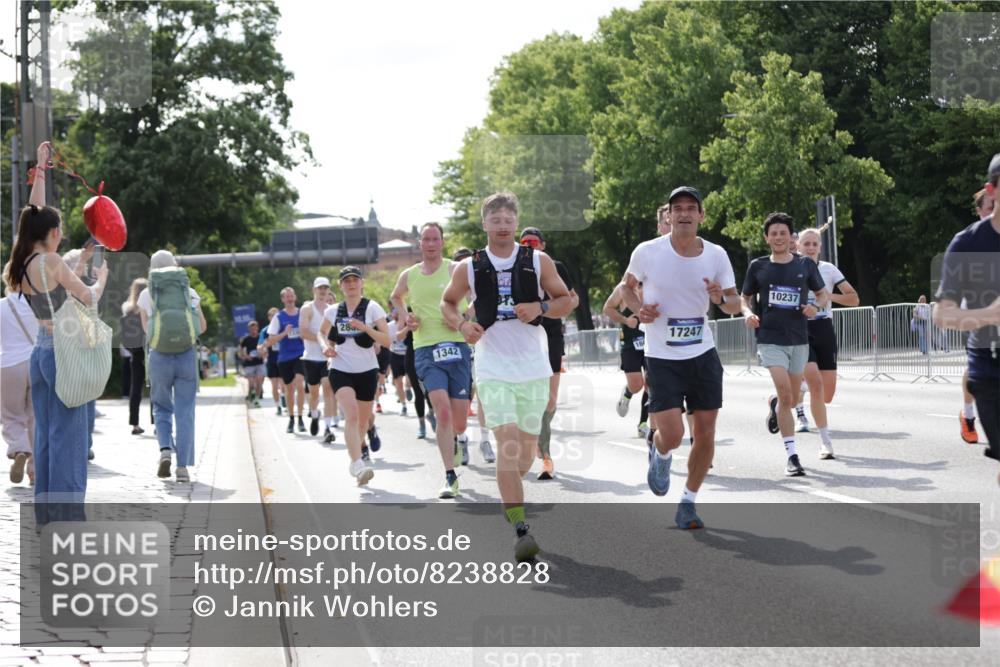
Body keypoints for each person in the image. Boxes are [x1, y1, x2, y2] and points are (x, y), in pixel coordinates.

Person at [442, 192, 573, 561]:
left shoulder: (538, 260)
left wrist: (541, 307)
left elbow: (568, 299)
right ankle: (520, 528)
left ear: (516, 223)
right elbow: (448, 303)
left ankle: (511, 491)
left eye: (507, 219)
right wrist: (462, 324)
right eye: (494, 219)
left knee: (525, 456)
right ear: (484, 224)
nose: (502, 225)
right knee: (508, 445)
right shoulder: (468, 267)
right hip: (492, 366)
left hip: (532, 366)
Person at [621, 186, 741, 529]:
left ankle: (688, 502)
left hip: (702, 353)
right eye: (678, 208)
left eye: (691, 208)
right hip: (661, 356)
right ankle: (660, 451)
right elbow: (627, 288)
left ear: (701, 215)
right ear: (668, 216)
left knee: (705, 434)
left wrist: (721, 299)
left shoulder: (716, 255)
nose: (685, 213)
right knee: (672, 435)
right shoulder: (647, 252)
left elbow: (733, 303)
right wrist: (639, 309)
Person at [5, 141, 109, 517]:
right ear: (49, 233)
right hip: (64, 355)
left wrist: (42, 168)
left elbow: (31, 213)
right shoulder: (51, 261)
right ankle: (69, 517)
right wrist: (102, 280)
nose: (62, 232)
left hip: (39, 353)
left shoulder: (23, 259)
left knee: (47, 438)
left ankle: (46, 514)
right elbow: (86, 296)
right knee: (70, 439)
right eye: (60, 227)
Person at [741, 212, 829, 477]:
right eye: (773, 233)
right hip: (770, 338)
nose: (778, 237)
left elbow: (823, 294)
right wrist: (747, 314)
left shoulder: (805, 265)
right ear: (766, 237)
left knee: (789, 399)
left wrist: (815, 307)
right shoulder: (758, 266)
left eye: (783, 233)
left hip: (798, 339)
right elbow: (743, 298)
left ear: (791, 238)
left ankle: (776, 405)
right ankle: (792, 456)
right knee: (783, 388)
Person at [391, 222, 475, 498]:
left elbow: (477, 297)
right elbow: (396, 296)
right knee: (443, 411)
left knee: (460, 420)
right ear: (420, 243)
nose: (430, 243)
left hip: (458, 346)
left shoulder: (455, 269)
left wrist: (462, 319)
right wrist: (406, 317)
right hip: (426, 348)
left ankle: (460, 438)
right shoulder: (410, 274)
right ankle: (450, 475)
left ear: (442, 242)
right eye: (425, 239)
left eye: (435, 239)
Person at [934, 153, 1000, 484]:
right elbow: (943, 315)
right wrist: (989, 315)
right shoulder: (968, 243)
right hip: (990, 365)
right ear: (992, 190)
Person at [138, 250, 207, 483]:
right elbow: (202, 327)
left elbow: (146, 331)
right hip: (187, 355)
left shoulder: (146, 294)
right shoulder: (189, 292)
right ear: (174, 266)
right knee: (185, 411)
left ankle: (165, 449)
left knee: (161, 406)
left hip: (159, 356)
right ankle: (183, 467)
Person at [319, 266, 391, 485]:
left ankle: (355, 460)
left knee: (361, 423)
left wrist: (365, 328)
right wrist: (324, 347)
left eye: (355, 280)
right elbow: (321, 332)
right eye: (346, 281)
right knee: (350, 415)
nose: (351, 284)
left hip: (367, 370)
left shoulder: (373, 308)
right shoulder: (332, 311)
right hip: (340, 368)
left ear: (361, 283)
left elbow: (387, 340)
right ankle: (358, 464)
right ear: (340, 286)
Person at [518, 228, 579, 480]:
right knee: (530, 397)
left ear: (543, 245)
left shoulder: (556, 267)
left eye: (534, 243)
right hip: (524, 338)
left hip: (552, 335)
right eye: (525, 244)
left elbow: (573, 299)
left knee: (550, 400)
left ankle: (540, 444)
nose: (530, 248)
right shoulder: (513, 271)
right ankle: (545, 454)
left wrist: (555, 307)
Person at [796, 226, 859, 459]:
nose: (810, 247)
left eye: (814, 244)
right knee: (816, 384)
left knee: (827, 395)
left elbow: (854, 298)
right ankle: (825, 443)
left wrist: (827, 295)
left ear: (820, 247)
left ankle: (795, 390)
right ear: (798, 246)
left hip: (824, 329)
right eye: (806, 243)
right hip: (800, 330)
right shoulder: (792, 269)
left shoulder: (828, 270)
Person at [959, 189, 994, 444]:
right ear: (979, 210)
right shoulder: (970, 240)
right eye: (989, 207)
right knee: (975, 371)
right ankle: (969, 415)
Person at [2, 267, 39, 485]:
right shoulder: (39, 305)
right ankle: (35, 471)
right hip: (36, 363)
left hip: (9, 365)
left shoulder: (1, 307)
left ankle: (18, 449)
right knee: (36, 417)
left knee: (11, 414)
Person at [604, 283, 648, 436]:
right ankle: (628, 392)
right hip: (630, 345)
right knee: (637, 385)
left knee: (651, 384)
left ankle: (643, 423)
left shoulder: (653, 283)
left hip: (652, 344)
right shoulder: (623, 289)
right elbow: (607, 309)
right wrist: (625, 320)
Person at [299, 277, 337, 441]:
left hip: (327, 358)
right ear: (314, 290)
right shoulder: (307, 309)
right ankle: (314, 415)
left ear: (329, 290)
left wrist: (331, 345)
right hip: (310, 358)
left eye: (325, 288)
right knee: (314, 394)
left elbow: (336, 334)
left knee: (328, 390)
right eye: (320, 288)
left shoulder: (332, 310)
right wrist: (322, 340)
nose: (323, 291)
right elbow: (303, 333)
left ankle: (328, 428)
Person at [266, 287, 307, 433]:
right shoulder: (279, 317)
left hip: (300, 355)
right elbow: (270, 340)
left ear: (295, 297)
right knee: (289, 389)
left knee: (299, 384)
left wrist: (304, 335)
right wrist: (284, 333)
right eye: (286, 297)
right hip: (284, 358)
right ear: (282, 299)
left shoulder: (302, 313)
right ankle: (291, 418)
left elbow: (310, 331)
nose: (289, 299)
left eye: (291, 296)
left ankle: (301, 418)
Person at [121, 277, 148, 435]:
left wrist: (132, 352)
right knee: (155, 388)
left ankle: (135, 424)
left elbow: (124, 337)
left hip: (136, 353)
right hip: (150, 351)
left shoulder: (128, 311)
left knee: (135, 388)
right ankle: (157, 423)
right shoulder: (149, 308)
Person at [261, 306, 284, 415]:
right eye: (272, 316)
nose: (274, 318)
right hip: (272, 359)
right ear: (269, 318)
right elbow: (260, 345)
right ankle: (277, 405)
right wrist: (264, 347)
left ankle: (283, 397)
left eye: (276, 316)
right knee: (274, 384)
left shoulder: (283, 327)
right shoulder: (265, 331)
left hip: (283, 358)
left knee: (283, 384)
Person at [239, 320, 266, 408]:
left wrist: (262, 354)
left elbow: (266, 349)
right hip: (249, 364)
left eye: (255, 329)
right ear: (249, 329)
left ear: (257, 328)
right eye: (251, 329)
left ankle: (256, 399)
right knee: (251, 383)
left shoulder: (261, 338)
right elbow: (240, 351)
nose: (253, 331)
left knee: (259, 383)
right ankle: (251, 395)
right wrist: (246, 356)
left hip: (259, 362)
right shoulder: (246, 339)